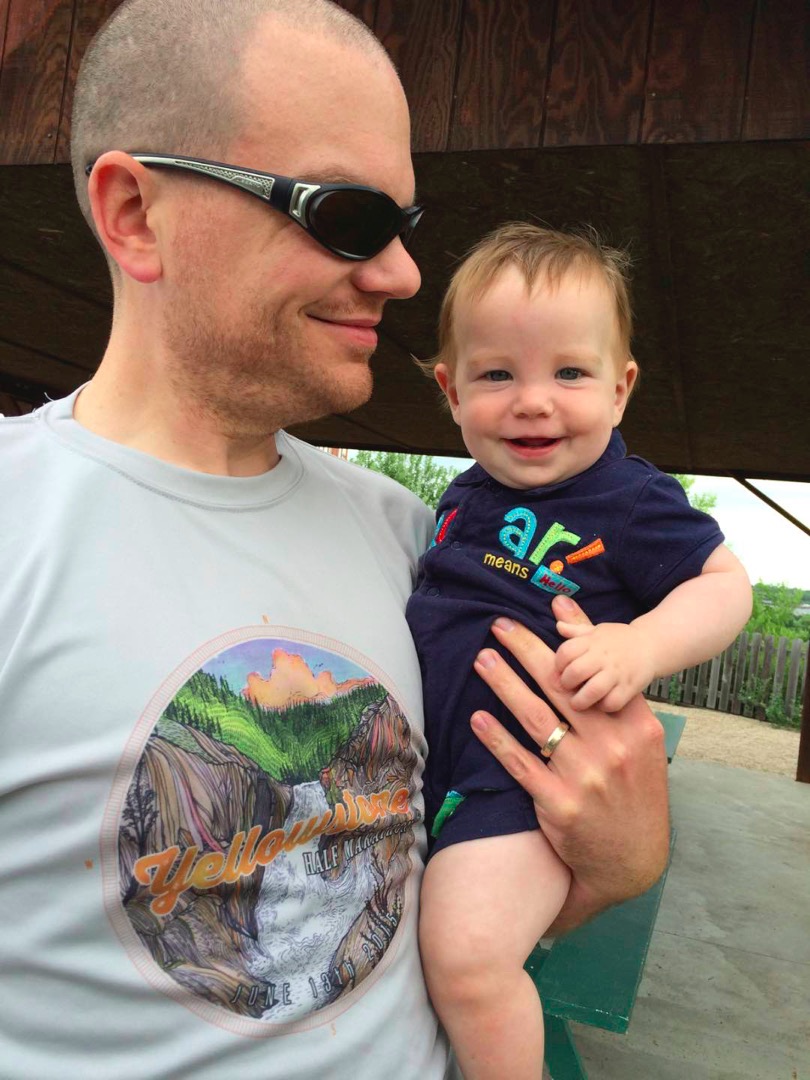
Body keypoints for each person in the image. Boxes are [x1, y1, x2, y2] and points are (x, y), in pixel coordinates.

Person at [0, 3, 671, 1077]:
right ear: (135, 214)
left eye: (405, 224)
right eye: (347, 215)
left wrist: (622, 859)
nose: (404, 274)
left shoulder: (421, 542)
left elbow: (475, 909)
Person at [407, 223, 753, 1079]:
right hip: (431, 769)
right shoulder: (460, 498)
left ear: (620, 389)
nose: (534, 401)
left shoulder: (628, 499)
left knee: (468, 958)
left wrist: (641, 643)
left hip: (520, 785)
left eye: (569, 372)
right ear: (451, 391)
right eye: (498, 374)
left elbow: (726, 586)